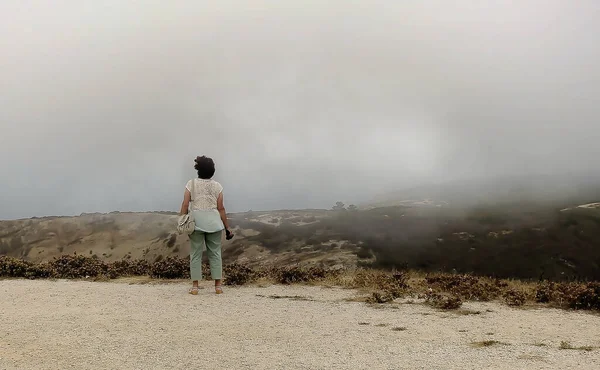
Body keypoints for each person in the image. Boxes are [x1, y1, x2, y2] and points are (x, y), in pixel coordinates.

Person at [179, 156, 233, 295]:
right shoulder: (217, 186)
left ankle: (195, 287)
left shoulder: (190, 184)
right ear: (212, 171)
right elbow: (221, 208)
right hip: (214, 223)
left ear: (198, 170)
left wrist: (181, 219)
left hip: (196, 222)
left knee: (195, 254)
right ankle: (218, 286)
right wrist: (227, 227)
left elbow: (185, 204)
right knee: (215, 253)